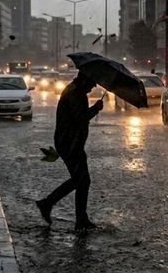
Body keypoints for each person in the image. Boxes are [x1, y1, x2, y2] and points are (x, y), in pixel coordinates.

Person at [36, 72, 103, 231]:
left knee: (80, 179)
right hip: (70, 143)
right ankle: (52, 205)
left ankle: (76, 216)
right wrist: (95, 109)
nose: (94, 86)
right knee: (82, 179)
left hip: (72, 142)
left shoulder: (76, 90)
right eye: (92, 82)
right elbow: (80, 117)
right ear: (85, 79)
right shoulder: (75, 93)